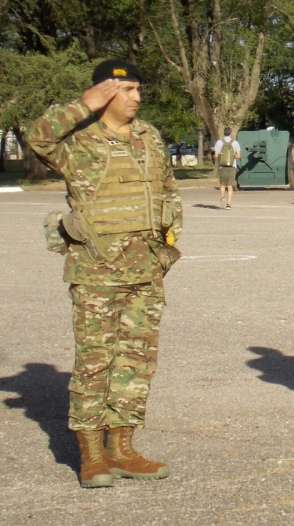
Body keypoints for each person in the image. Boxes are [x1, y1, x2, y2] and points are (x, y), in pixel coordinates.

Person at [25, 59, 181, 488]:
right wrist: (82, 106)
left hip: (146, 272)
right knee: (95, 362)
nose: (136, 97)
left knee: (136, 362)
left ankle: (123, 447)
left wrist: (168, 250)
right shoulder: (77, 141)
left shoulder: (149, 138)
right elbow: (36, 137)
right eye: (127, 89)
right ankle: (92, 454)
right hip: (97, 272)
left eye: (137, 89)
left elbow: (169, 193)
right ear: (105, 93)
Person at [213, 127, 241, 210]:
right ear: (231, 133)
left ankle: (222, 198)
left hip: (222, 166)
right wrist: (232, 156)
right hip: (232, 166)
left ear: (224, 133)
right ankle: (228, 204)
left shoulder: (219, 142)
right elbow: (238, 156)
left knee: (222, 185)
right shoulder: (235, 143)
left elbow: (216, 155)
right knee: (230, 186)